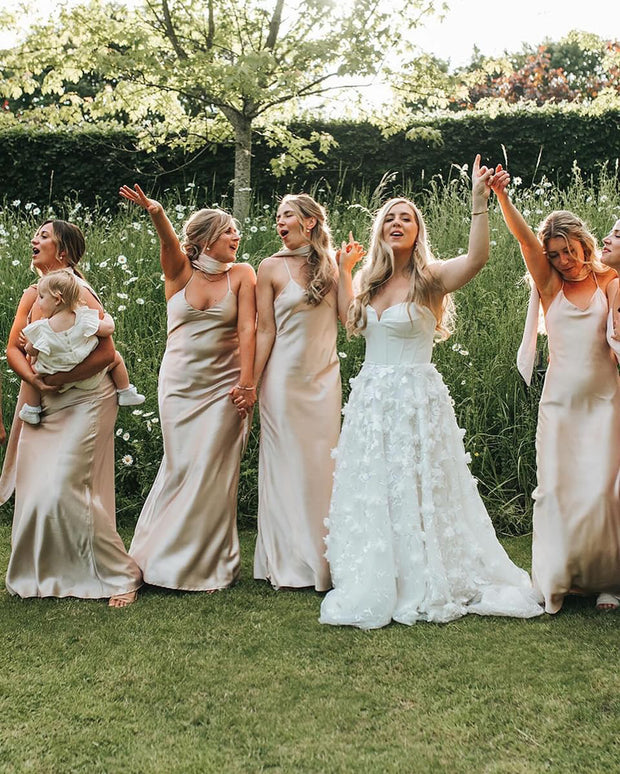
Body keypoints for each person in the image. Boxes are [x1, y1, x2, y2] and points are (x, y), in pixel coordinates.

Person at [320, 156, 543, 629]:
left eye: (407, 218)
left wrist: (479, 201)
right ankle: (380, 570)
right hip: (372, 400)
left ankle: (425, 572)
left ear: (418, 232)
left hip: (417, 399)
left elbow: (478, 259)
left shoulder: (431, 279)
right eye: (390, 217)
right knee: (376, 485)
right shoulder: (368, 282)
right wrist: (344, 271)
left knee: (419, 485)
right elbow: (350, 322)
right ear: (381, 230)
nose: (398, 222)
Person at [492, 167, 620, 613]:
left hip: (606, 404)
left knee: (602, 494)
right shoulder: (551, 286)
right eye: (555, 254)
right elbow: (525, 241)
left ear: (584, 243)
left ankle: (606, 581)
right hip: (560, 406)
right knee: (556, 492)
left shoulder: (610, 283)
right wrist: (502, 197)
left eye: (569, 251)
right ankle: (559, 581)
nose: (565, 260)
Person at [120, 184, 256, 592]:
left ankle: (208, 567)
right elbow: (168, 242)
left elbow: (249, 329)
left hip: (225, 387)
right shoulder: (180, 272)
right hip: (179, 385)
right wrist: (157, 213)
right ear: (206, 241)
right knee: (180, 468)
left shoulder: (244, 274)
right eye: (229, 231)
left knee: (213, 472)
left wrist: (248, 383)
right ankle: (148, 561)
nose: (237, 237)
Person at [1, 219, 142, 607]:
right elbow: (13, 347)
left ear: (63, 251)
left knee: (66, 486)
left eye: (44, 236)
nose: (35, 239)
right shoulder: (33, 294)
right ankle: (44, 574)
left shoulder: (77, 293)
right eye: (37, 234)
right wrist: (36, 380)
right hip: (41, 399)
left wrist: (60, 378)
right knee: (36, 491)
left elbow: (107, 353)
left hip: (87, 399)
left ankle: (122, 575)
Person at [236, 193, 340, 591]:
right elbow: (265, 330)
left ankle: (322, 559)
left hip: (324, 379)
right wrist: (251, 383)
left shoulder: (332, 265)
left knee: (320, 467)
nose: (279, 221)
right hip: (281, 381)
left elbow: (349, 318)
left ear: (309, 222)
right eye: (277, 216)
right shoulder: (270, 267)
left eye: (287, 215)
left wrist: (346, 269)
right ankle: (283, 561)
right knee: (283, 466)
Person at [18, 268, 144, 425]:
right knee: (117, 359)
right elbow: (108, 330)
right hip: (88, 379)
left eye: (41, 297)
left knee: (34, 371)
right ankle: (125, 391)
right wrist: (108, 318)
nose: (38, 302)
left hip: (52, 375)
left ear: (57, 299)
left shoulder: (42, 328)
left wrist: (28, 344)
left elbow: (31, 351)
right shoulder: (83, 318)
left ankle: (31, 408)